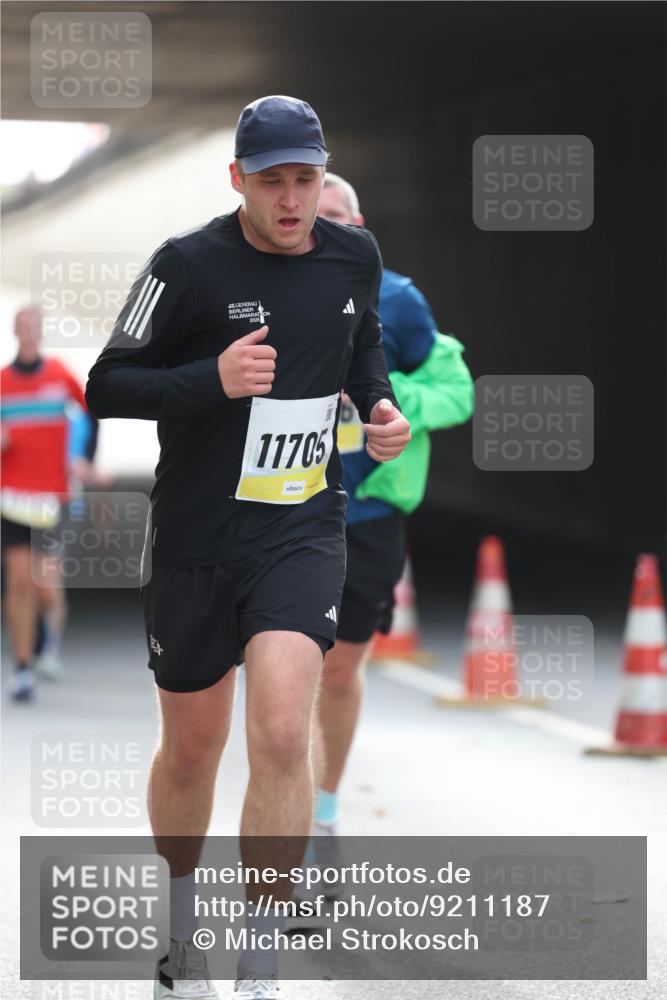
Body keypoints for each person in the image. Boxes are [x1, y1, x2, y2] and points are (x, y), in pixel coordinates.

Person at [85, 96, 410, 1000]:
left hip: (300, 528)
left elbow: (364, 352)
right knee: (193, 749)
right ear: (238, 180)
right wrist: (212, 379)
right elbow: (107, 385)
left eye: (305, 178)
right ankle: (180, 929)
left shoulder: (355, 255)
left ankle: (260, 960)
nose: (292, 199)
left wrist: (377, 410)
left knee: (278, 732)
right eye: (272, 182)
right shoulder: (184, 265)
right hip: (196, 539)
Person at [314, 173, 473, 851]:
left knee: (340, 673)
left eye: (333, 218)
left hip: (369, 515)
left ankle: (322, 811)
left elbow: (455, 392)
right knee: (288, 676)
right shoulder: (252, 291)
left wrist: (383, 393)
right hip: (283, 520)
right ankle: (286, 823)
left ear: (359, 223)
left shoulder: (398, 300)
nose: (316, 228)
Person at [1, 306, 97, 700]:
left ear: (40, 332)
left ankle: (47, 643)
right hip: (12, 496)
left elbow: (93, 413)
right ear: (14, 331)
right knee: (20, 581)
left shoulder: (59, 375)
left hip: (53, 496)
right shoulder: (3, 382)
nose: (28, 332)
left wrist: (85, 459)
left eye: (34, 326)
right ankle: (22, 668)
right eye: (22, 326)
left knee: (45, 587)